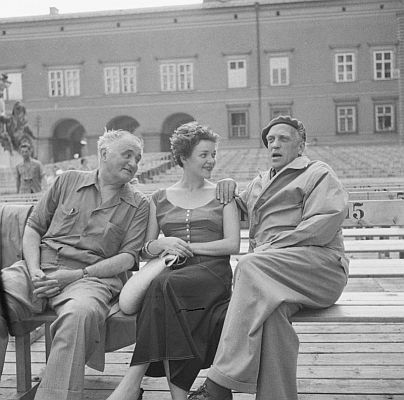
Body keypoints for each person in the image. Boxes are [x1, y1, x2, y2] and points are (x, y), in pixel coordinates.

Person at [189, 115, 349, 400]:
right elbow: (236, 210)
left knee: (249, 264)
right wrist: (225, 185)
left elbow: (323, 225)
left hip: (319, 269)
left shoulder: (317, 173)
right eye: (270, 140)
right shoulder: (261, 182)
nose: (274, 145)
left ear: (301, 146)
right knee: (272, 315)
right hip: (272, 277)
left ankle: (217, 385)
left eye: (283, 139)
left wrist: (271, 249)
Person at [0, 129, 149, 399]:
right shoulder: (66, 181)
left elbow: (128, 258)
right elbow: (33, 227)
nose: (134, 163)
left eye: (137, 158)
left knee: (79, 315)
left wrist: (75, 275)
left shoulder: (139, 204)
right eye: (127, 155)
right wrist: (34, 269)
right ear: (104, 154)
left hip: (90, 280)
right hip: (37, 269)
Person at [107, 122, 240, 400]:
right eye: (204, 155)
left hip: (211, 274)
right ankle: (176, 396)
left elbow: (233, 244)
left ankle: (132, 382)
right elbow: (145, 249)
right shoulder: (158, 198)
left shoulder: (223, 195)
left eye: (213, 154)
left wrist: (189, 246)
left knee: (161, 288)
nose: (211, 161)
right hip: (172, 273)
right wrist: (162, 244)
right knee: (166, 292)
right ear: (183, 158)